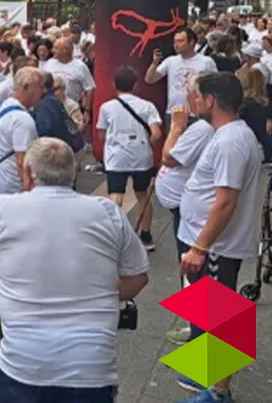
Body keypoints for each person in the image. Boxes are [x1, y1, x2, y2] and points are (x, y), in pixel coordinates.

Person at [0, 138, 150, 403]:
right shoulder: (107, 212)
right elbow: (138, 277)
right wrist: (96, 290)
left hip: (23, 365)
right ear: (74, 172)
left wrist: (5, 284)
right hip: (91, 367)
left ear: (28, 173)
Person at [175, 72, 262, 403]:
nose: (192, 102)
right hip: (209, 242)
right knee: (207, 310)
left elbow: (226, 201)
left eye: (196, 96)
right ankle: (207, 371)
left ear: (211, 100)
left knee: (221, 317)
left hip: (216, 245)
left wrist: (200, 246)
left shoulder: (230, 141)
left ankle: (218, 392)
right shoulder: (226, 135)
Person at [155, 78, 216, 345]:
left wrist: (177, 127)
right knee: (197, 277)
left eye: (194, 96)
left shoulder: (204, 128)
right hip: (190, 209)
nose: (190, 102)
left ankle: (205, 354)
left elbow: (170, 157)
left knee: (200, 277)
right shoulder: (212, 129)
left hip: (196, 214)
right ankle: (196, 332)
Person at [97, 67, 163, 250]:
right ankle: (146, 236)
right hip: (142, 157)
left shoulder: (106, 107)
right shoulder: (147, 106)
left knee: (116, 195)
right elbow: (157, 134)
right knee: (142, 195)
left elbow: (101, 135)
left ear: (114, 84)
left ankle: (116, 236)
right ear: (136, 84)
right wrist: (146, 143)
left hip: (116, 157)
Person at [0, 68, 44, 201]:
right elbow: (22, 161)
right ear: (27, 88)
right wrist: (30, 191)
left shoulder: (3, 106)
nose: (42, 91)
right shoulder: (22, 119)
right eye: (40, 86)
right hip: (11, 188)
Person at [145, 28, 217, 131]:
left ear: (192, 42)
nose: (176, 45)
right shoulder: (170, 61)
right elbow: (149, 79)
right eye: (175, 41)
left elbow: (215, 86)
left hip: (196, 114)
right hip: (173, 112)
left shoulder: (206, 62)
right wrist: (154, 63)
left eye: (180, 41)